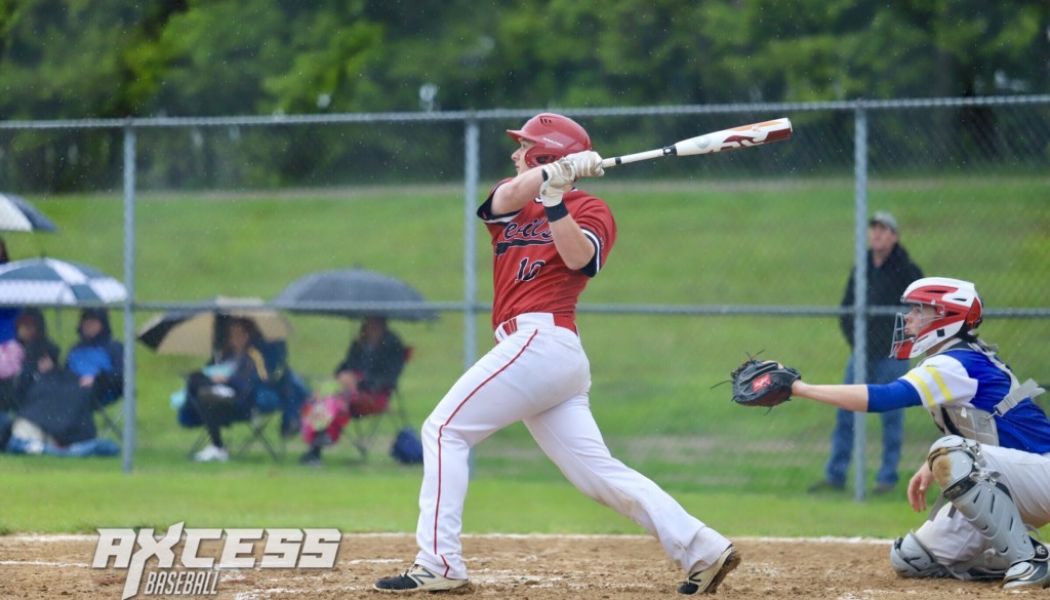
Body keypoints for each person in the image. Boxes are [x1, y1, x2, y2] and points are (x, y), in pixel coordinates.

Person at [373, 113, 738, 595]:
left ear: (546, 152)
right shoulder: (515, 197)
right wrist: (547, 179)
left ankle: (439, 563)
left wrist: (556, 202)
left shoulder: (593, 210)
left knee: (443, 430)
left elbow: (579, 261)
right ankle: (703, 547)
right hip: (536, 354)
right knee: (597, 475)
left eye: (525, 147)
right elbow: (504, 196)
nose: (514, 154)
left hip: (544, 343)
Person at [784, 277, 1050, 590]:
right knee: (912, 558)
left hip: (1040, 473)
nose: (909, 318)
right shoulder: (954, 358)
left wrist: (800, 389)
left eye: (920, 310)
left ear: (948, 318)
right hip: (1014, 478)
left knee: (949, 451)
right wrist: (931, 466)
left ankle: (1030, 560)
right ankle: (1019, 552)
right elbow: (983, 425)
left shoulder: (955, 362)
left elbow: (884, 397)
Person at [810, 211, 924, 495]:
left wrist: (900, 342)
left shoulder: (906, 269)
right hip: (861, 352)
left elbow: (921, 312)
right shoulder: (863, 267)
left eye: (884, 229)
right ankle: (836, 475)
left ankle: (887, 478)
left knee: (892, 417)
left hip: (892, 355)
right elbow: (847, 307)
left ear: (894, 236)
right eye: (874, 228)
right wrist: (856, 340)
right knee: (845, 411)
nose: (877, 234)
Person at [299, 316, 407, 466]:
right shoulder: (359, 345)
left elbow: (388, 378)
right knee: (321, 399)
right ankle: (318, 439)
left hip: (373, 395)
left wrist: (359, 382)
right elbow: (343, 367)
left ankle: (319, 442)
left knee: (333, 403)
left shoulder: (392, 346)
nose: (369, 326)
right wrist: (343, 377)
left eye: (373, 322)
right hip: (347, 394)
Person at [177, 317, 267, 462]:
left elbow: (253, 383)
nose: (234, 338)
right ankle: (216, 445)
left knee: (206, 399)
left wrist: (227, 380)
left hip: (239, 400)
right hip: (216, 393)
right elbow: (209, 370)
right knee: (195, 380)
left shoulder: (253, 357)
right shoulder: (224, 355)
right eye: (232, 334)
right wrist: (211, 375)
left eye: (238, 334)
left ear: (246, 336)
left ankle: (217, 447)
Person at [65, 308, 124, 408]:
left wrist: (96, 379)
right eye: (86, 323)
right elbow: (65, 371)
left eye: (93, 323)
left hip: (103, 389)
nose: (88, 326)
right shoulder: (75, 349)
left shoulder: (113, 347)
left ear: (102, 325)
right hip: (73, 386)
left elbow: (120, 373)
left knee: (78, 395)